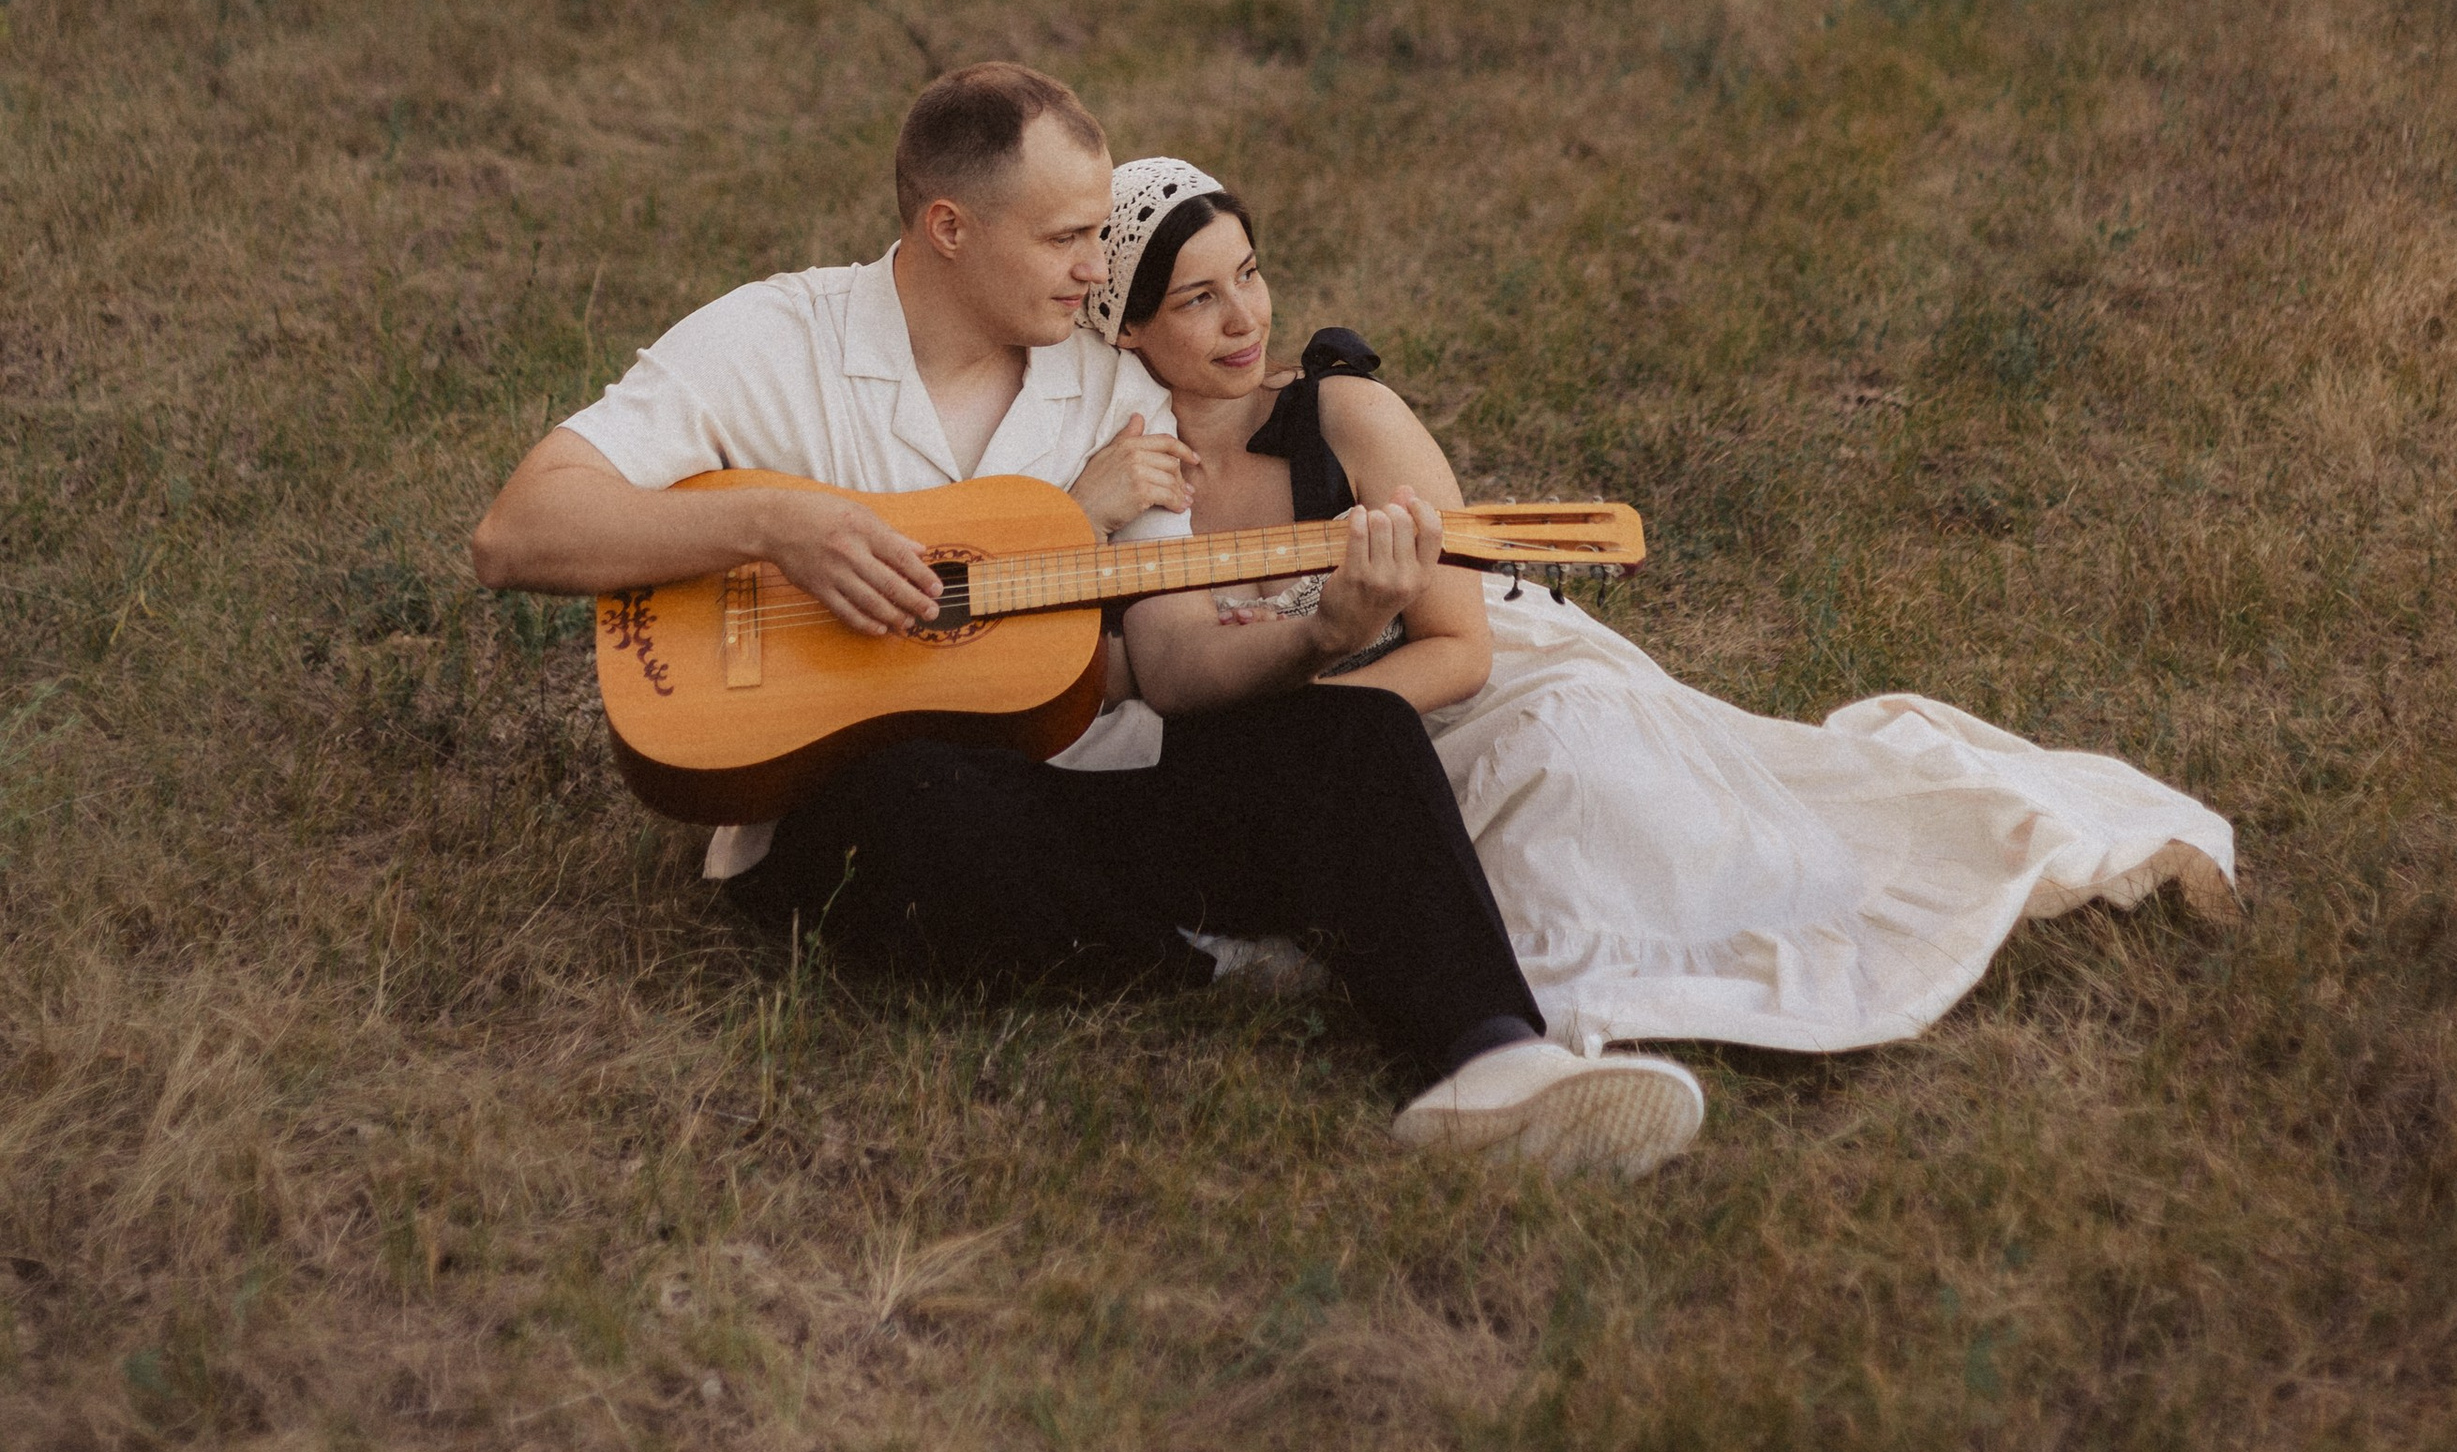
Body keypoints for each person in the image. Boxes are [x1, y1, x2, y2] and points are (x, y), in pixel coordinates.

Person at [470, 65, 1707, 1175]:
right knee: (912, 798)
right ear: (948, 228)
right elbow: (518, 531)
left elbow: (1169, 662)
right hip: (876, 806)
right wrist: (774, 523)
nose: (1094, 266)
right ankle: (1202, 953)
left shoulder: (1113, 387)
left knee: (1354, 734)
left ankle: (1492, 1060)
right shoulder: (771, 339)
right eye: (1066, 236)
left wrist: (1327, 630)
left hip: (1091, 782)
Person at [1088, 158, 2239, 1053]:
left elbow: (1460, 646)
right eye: (1199, 299)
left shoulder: (1344, 417)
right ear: (1128, 328)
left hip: (1456, 687)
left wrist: (1326, 728)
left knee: (1576, 774)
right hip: (1306, 734)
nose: (1244, 318)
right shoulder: (1119, 471)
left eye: (1250, 275)